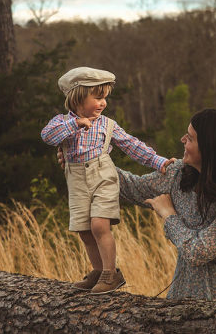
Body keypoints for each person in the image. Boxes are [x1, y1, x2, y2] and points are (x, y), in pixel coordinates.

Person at [61, 108, 216, 300]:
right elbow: (133, 187)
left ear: (213, 149)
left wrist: (168, 214)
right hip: (186, 294)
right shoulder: (178, 174)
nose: (182, 140)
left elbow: (198, 252)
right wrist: (84, 164)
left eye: (191, 138)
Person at [41, 67, 174, 294]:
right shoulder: (61, 122)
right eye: (98, 97)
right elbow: (47, 136)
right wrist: (75, 124)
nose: (103, 103)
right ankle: (99, 270)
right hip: (76, 180)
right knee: (84, 230)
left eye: (105, 98)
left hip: (103, 176)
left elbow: (132, 145)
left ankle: (110, 274)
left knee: (99, 225)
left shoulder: (106, 124)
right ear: (77, 96)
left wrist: (158, 161)